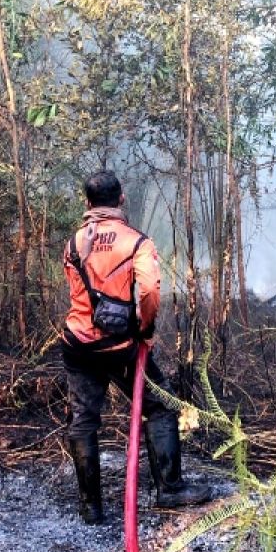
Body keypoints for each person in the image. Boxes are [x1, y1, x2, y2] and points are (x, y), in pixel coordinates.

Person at [61, 170, 212, 524]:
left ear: (87, 203)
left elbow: (79, 294)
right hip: (120, 347)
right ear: (122, 199)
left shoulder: (73, 243)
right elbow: (149, 291)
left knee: (83, 419)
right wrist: (145, 329)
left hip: (78, 344)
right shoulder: (137, 242)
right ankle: (170, 489)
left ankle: (91, 508)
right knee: (160, 405)